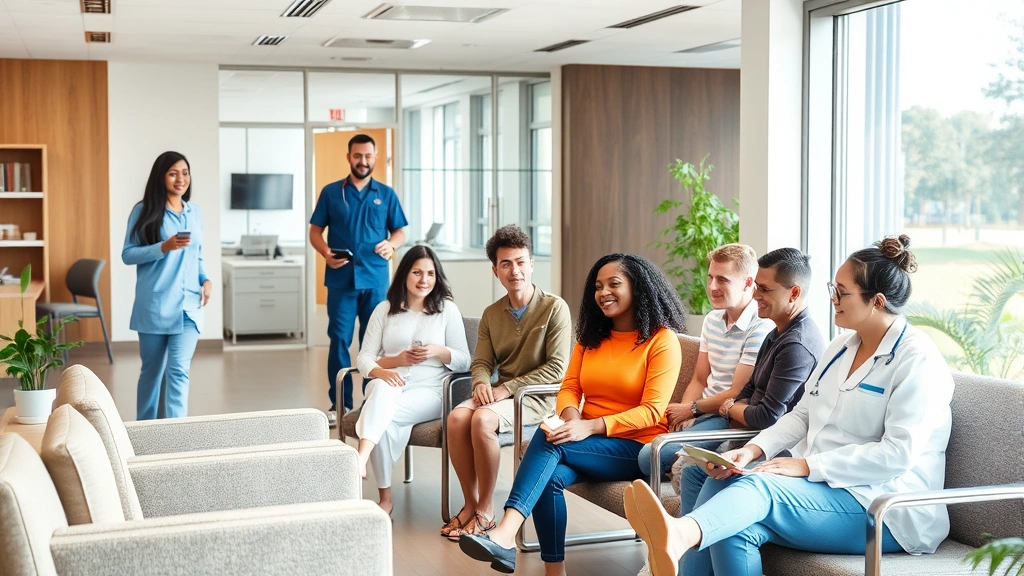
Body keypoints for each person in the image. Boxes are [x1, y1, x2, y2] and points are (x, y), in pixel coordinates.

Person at [622, 235, 955, 576]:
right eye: (832, 287)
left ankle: (680, 535)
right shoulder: (842, 347)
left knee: (754, 486)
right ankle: (678, 551)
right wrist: (750, 451)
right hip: (827, 487)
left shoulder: (918, 360)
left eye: (841, 291)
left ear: (877, 301)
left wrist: (806, 466)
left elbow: (897, 455)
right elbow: (802, 414)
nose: (832, 299)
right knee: (729, 506)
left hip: (884, 507)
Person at [458, 254, 687, 576]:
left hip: (637, 447)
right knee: (549, 472)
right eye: (597, 286)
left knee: (550, 439)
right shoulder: (591, 339)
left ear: (639, 288)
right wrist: (570, 418)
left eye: (614, 284)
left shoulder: (662, 341)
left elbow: (651, 412)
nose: (603, 292)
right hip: (588, 439)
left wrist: (588, 426)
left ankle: (505, 534)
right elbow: (570, 386)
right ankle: (554, 571)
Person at [443, 225, 573, 540]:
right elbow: (483, 362)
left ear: (531, 264)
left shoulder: (555, 308)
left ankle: (486, 512)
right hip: (502, 396)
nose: (514, 271)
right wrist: (480, 383)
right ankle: (471, 504)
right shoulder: (491, 314)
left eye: (520, 262)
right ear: (495, 270)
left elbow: (557, 368)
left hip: (538, 398)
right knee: (458, 417)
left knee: (482, 420)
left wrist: (505, 388)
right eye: (506, 264)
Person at [673, 248, 826, 510]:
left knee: (693, 470)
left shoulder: (797, 345)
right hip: (750, 432)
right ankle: (689, 542)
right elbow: (749, 389)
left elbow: (767, 415)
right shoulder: (777, 333)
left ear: (794, 293)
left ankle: (690, 538)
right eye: (756, 287)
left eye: (764, 289)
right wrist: (735, 407)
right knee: (691, 469)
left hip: (778, 445)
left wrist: (730, 407)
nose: (755, 296)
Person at [354, 245, 471, 514]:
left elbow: (465, 360)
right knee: (381, 392)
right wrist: (391, 365)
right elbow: (364, 359)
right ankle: (374, 480)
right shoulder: (384, 310)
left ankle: (369, 473)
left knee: (381, 413)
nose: (424, 280)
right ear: (404, 274)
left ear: (437, 277)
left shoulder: (447, 310)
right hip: (389, 382)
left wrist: (438, 351)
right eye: (417, 272)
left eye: (430, 273)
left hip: (431, 390)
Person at [639, 244, 773, 477]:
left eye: (723, 280)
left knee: (650, 455)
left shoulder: (760, 326)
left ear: (748, 283)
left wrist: (691, 409)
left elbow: (737, 392)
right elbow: (699, 379)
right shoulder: (712, 320)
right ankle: (680, 464)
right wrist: (682, 415)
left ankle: (683, 467)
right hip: (703, 413)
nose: (712, 287)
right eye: (710, 278)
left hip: (729, 417)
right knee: (645, 451)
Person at [309, 134, 408, 420]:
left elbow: (400, 231)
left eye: (367, 156)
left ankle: (371, 401)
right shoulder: (331, 192)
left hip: (376, 282)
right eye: (357, 156)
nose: (362, 161)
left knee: (373, 344)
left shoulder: (386, 194)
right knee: (339, 339)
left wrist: (392, 244)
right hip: (341, 281)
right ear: (348, 157)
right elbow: (315, 231)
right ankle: (339, 404)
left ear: (375, 158)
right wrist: (326, 253)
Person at [122, 151, 212, 420]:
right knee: (152, 372)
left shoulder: (195, 212)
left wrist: (205, 279)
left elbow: (196, 254)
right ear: (161, 177)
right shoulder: (144, 211)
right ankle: (146, 431)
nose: (180, 179)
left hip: (189, 306)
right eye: (173, 173)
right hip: (156, 306)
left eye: (184, 172)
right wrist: (163, 247)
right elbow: (128, 254)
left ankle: (174, 435)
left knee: (178, 370)